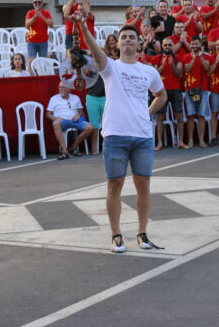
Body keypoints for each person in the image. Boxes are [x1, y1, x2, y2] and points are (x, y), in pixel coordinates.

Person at [76, 18, 167, 253]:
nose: (128, 40)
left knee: (143, 184)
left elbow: (161, 95)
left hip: (142, 137)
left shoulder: (149, 71)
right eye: (123, 37)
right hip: (116, 134)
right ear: (117, 44)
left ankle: (142, 233)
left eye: (132, 37)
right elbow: (95, 51)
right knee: (114, 186)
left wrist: (147, 112)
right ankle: (116, 235)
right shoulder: (110, 67)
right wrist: (84, 28)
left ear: (139, 44)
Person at [150, 38, 184, 150]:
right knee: (160, 116)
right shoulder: (157, 58)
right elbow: (155, 74)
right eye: (165, 45)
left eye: (170, 45)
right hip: (162, 90)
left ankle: (181, 142)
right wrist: (163, 66)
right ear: (162, 47)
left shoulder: (177, 57)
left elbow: (179, 73)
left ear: (173, 46)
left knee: (179, 115)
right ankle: (159, 143)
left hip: (175, 89)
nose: (168, 47)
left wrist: (172, 65)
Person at [46, 83, 93, 160]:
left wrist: (78, 115)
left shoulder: (75, 98)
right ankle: (65, 151)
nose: (61, 89)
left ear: (69, 89)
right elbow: (48, 114)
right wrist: (55, 118)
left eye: (63, 87)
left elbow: (81, 112)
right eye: (59, 87)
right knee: (55, 123)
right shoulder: (54, 98)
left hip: (74, 121)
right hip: (62, 121)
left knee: (90, 127)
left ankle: (73, 147)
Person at [181, 36, 211, 148]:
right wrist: (194, 58)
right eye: (192, 44)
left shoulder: (205, 56)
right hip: (190, 89)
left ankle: (202, 140)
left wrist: (201, 57)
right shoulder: (186, 56)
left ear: (200, 45)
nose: (194, 46)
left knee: (201, 115)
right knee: (190, 115)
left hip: (202, 89)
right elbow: (187, 69)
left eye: (196, 44)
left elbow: (207, 67)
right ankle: (190, 140)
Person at [26, 0, 53, 67]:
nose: (37, 4)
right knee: (31, 63)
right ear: (33, 4)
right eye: (35, 2)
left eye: (39, 2)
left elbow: (51, 25)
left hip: (43, 42)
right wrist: (35, 16)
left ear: (42, 3)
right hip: (32, 41)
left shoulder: (46, 13)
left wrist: (42, 16)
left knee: (42, 63)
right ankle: (32, 78)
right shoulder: (30, 13)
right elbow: (27, 25)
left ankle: (42, 78)